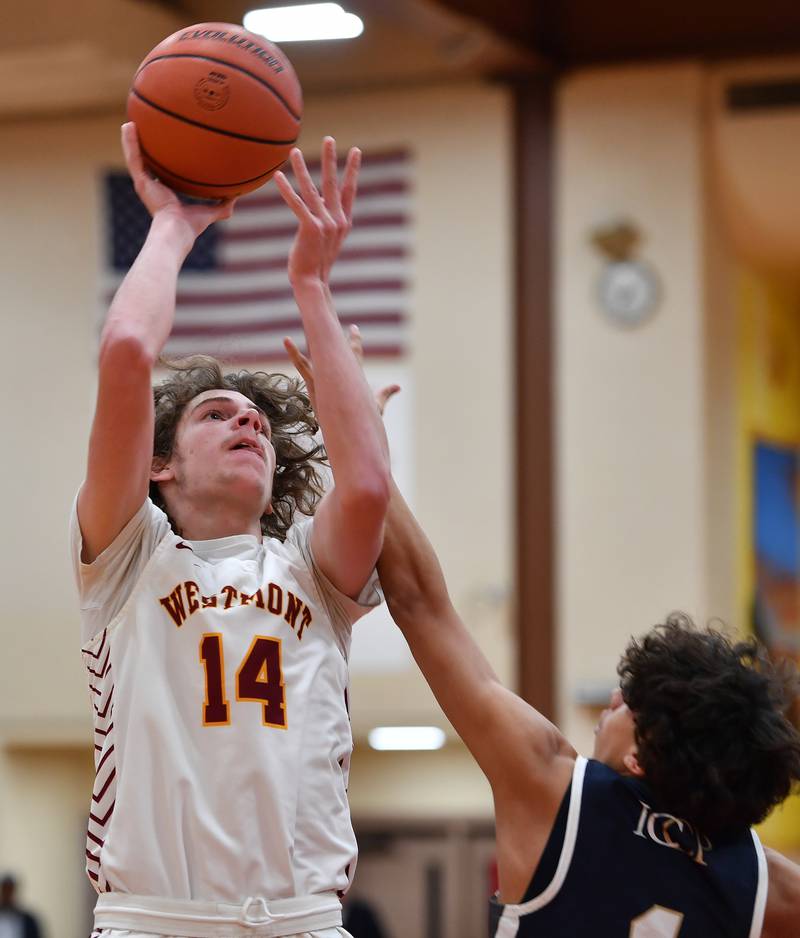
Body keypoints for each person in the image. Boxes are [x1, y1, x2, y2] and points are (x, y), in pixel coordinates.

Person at [285, 336, 800, 938]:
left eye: (629, 704)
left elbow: (420, 602)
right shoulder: (770, 885)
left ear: (641, 754)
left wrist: (350, 431)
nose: (612, 701)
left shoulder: (559, 788)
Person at [70, 123, 390, 938]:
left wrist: (313, 287)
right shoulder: (127, 558)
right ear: (159, 466)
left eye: (258, 422)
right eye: (218, 416)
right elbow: (128, 352)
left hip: (303, 920)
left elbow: (368, 485)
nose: (248, 424)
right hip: (154, 919)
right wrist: (174, 223)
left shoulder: (312, 575)